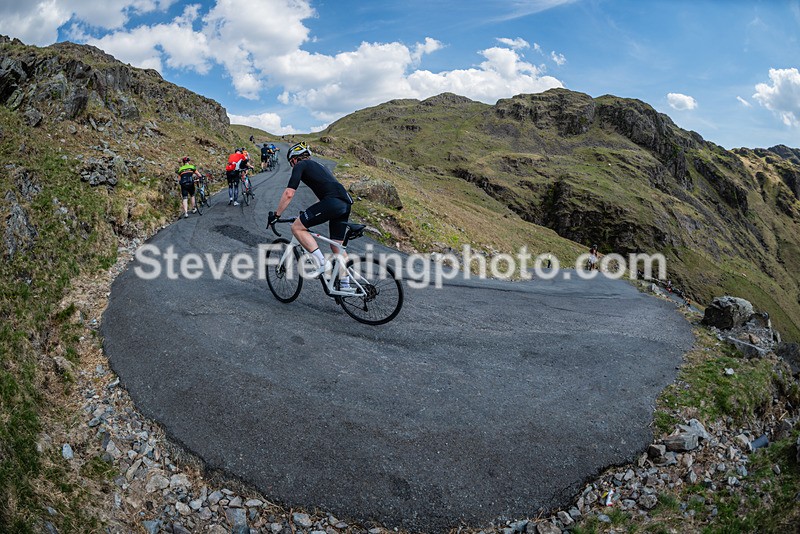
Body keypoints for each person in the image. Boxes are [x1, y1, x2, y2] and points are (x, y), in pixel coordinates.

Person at [267, 142, 354, 289]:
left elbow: (289, 193)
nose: (292, 166)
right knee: (337, 247)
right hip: (345, 203)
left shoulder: (301, 165)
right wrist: (308, 213)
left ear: (295, 159)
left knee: (297, 228)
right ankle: (346, 286)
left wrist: (276, 215)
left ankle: (322, 264)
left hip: (332, 202)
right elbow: (323, 196)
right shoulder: (320, 167)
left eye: (291, 163)